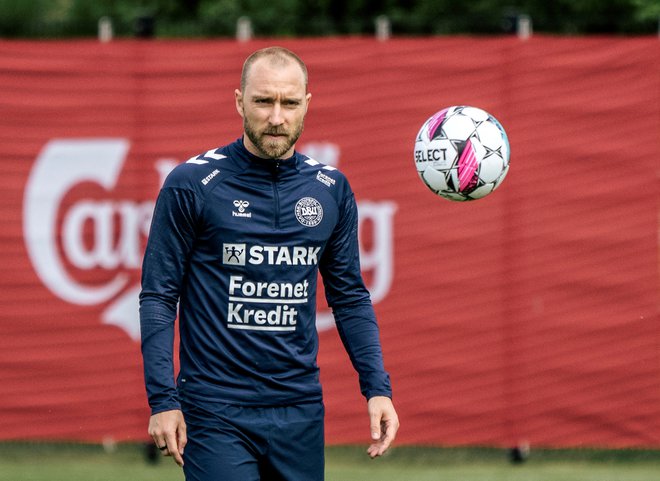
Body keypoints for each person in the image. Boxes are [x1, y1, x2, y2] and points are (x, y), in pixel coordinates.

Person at [139, 46, 399, 481]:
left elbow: (350, 297)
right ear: (239, 100)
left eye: (289, 102)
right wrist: (163, 400)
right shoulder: (192, 185)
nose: (276, 117)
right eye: (263, 101)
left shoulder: (330, 189)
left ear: (306, 105)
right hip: (215, 407)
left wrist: (377, 388)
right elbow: (159, 296)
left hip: (299, 408)